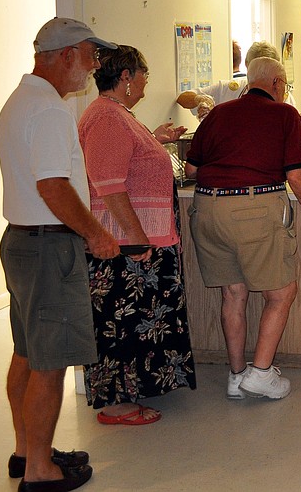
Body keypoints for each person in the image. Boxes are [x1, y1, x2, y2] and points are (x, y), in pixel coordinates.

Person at [0, 17, 119, 491]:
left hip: (22, 241)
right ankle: (40, 472)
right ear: (66, 54)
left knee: (27, 353)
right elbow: (53, 186)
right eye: (90, 57)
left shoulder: (19, 101)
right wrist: (94, 234)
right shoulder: (48, 111)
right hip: (50, 246)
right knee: (50, 363)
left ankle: (28, 450)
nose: (93, 68)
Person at [185, 57, 301, 400]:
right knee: (280, 293)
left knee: (233, 294)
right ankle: (262, 372)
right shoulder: (285, 115)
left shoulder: (219, 112)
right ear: (278, 84)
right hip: (254, 208)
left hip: (206, 209)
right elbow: (296, 175)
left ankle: (237, 376)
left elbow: (191, 170)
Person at [78, 44, 197, 426]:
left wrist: (154, 141)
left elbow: (125, 164)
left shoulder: (118, 115)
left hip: (138, 241)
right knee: (122, 322)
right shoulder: (107, 118)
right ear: (127, 77)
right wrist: (136, 236)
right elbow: (109, 185)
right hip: (125, 246)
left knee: (142, 321)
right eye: (144, 74)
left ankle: (134, 391)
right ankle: (116, 404)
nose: (147, 82)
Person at [176, 41, 296, 119]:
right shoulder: (230, 88)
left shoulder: (284, 97)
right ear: (246, 64)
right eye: (256, 68)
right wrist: (200, 99)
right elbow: (182, 98)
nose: (261, 75)